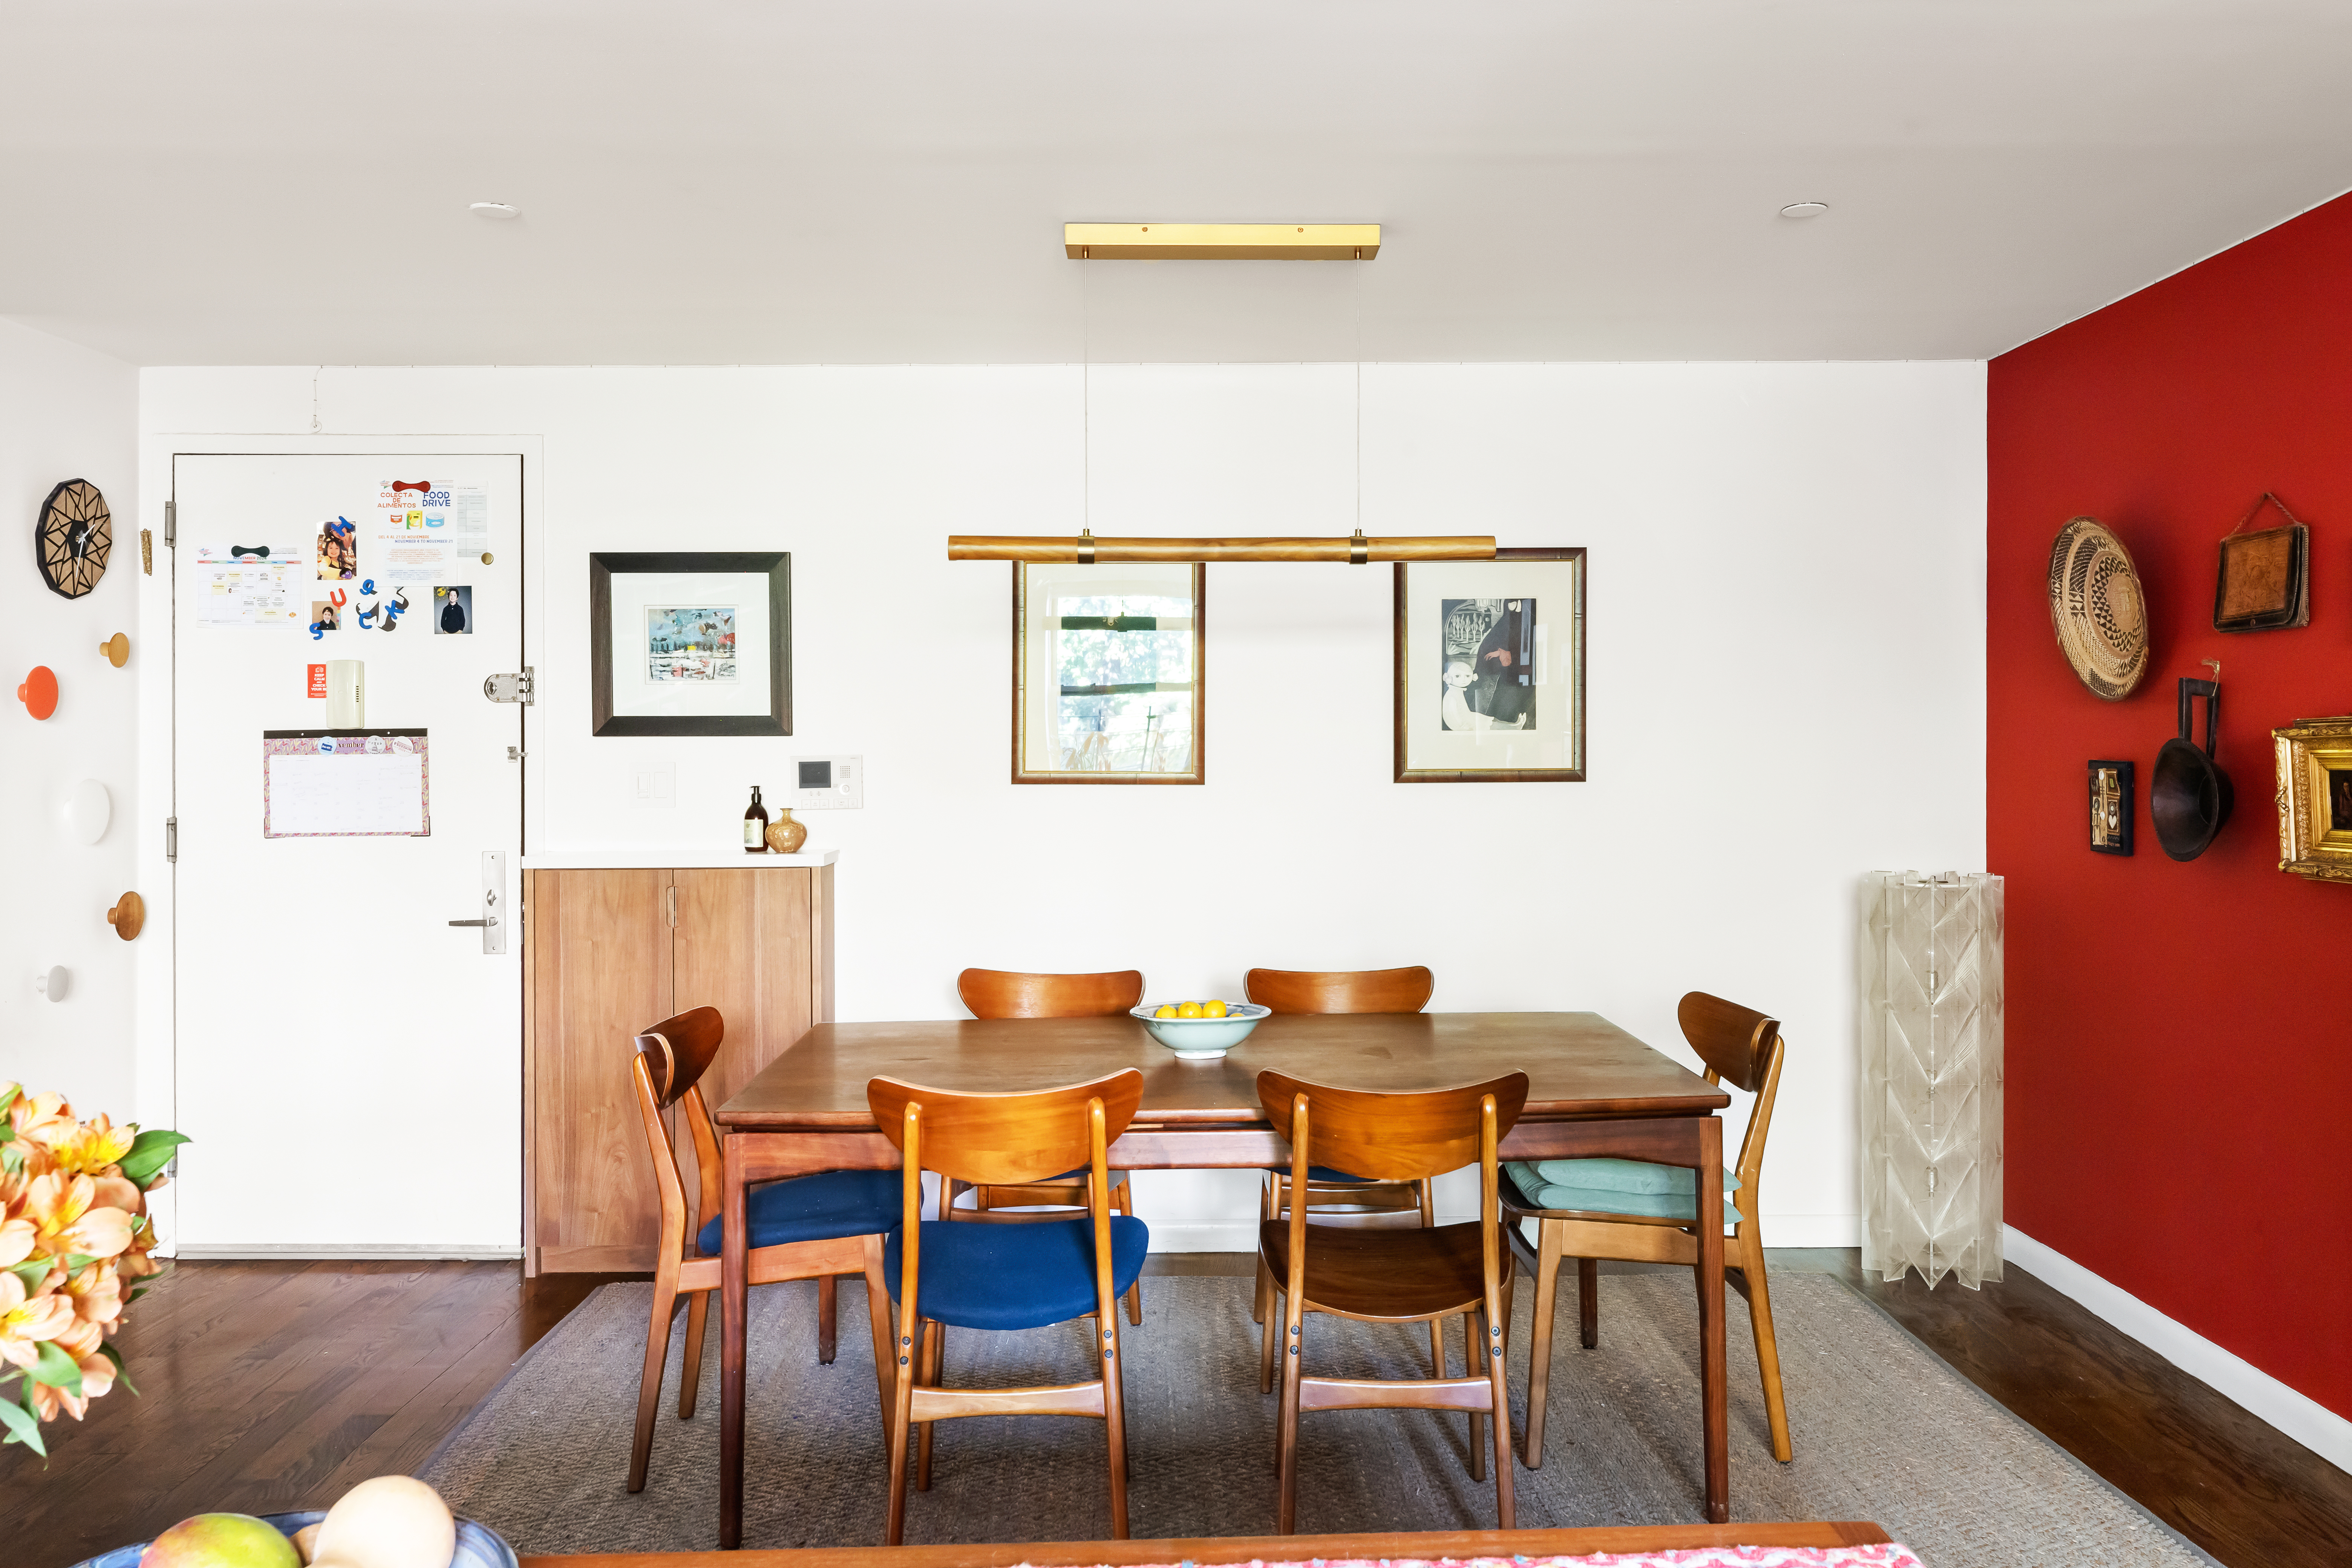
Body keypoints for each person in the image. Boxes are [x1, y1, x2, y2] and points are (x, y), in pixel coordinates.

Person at [1469, 597, 1536, 729]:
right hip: (1505, 676)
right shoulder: (1504, 623)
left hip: (1519, 675)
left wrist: (1502, 653)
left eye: (1516, 605)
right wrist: (1498, 654)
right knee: (1500, 703)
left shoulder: (1526, 623)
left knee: (1513, 701)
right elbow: (1487, 647)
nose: (1514, 608)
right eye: (1511, 605)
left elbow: (1525, 649)